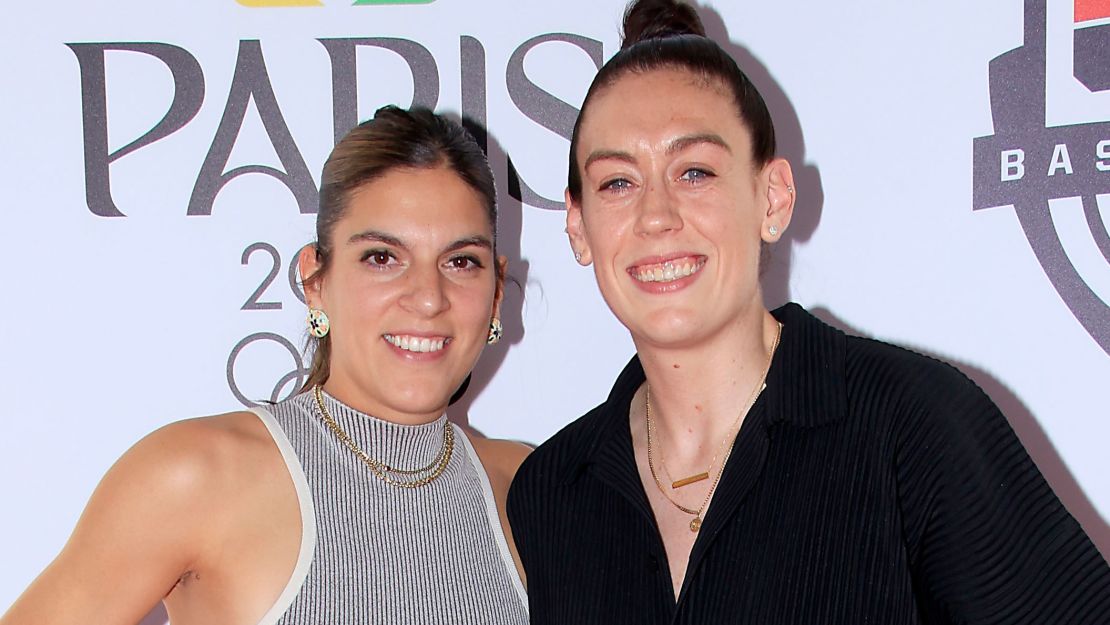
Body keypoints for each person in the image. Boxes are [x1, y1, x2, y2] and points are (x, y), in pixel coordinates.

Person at [506, 1, 1110, 623]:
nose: (656, 215)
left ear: (773, 197)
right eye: (617, 183)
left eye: (694, 172)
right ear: (578, 227)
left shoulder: (908, 422)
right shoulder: (553, 490)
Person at [2, 106, 530, 625]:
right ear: (315, 280)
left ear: (496, 290)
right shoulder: (196, 476)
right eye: (382, 257)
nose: (428, 297)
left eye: (461, 262)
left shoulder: (526, 489)